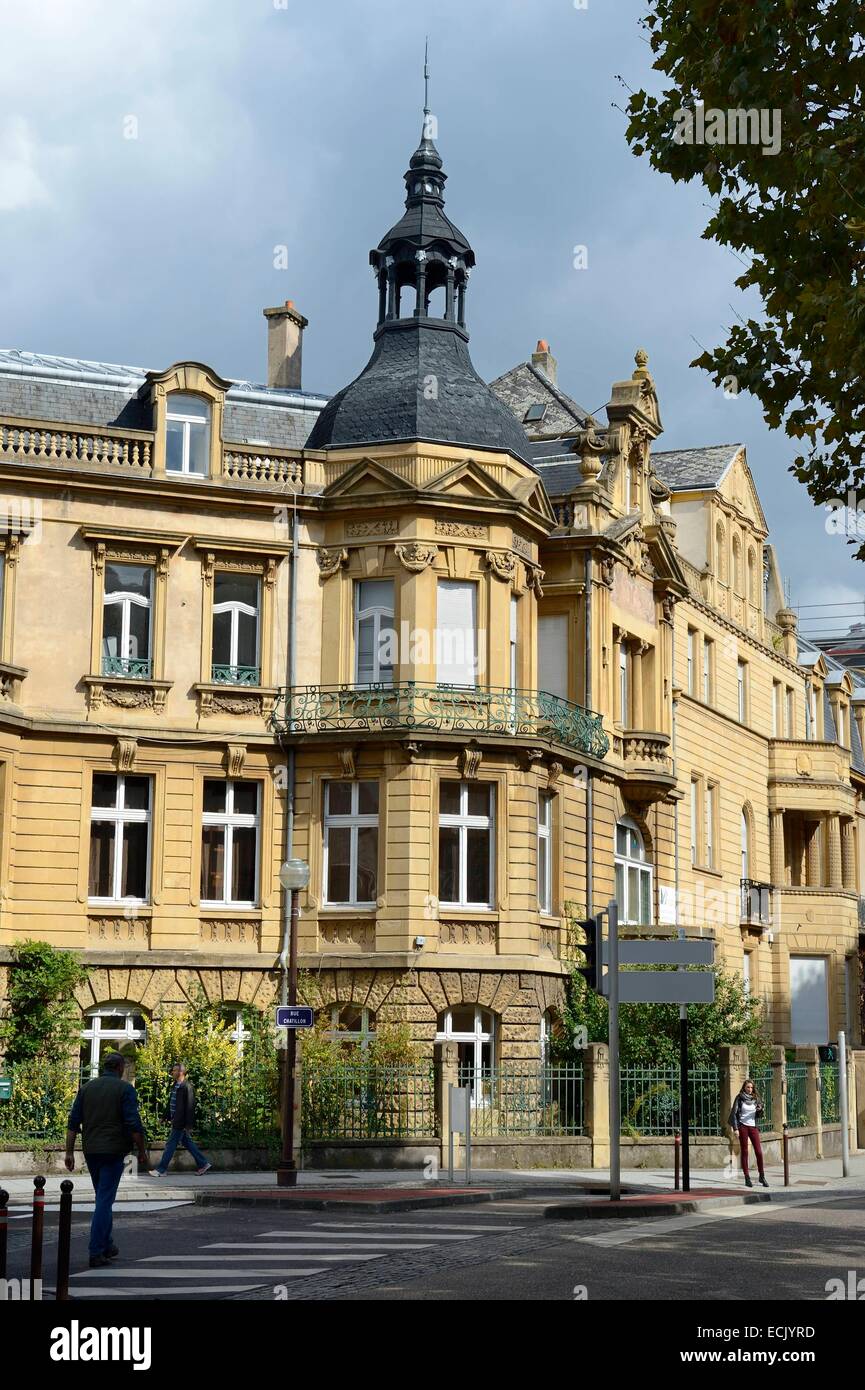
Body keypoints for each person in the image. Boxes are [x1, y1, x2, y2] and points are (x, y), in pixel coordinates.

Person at [65, 1052, 149, 1268]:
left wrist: (69, 1152)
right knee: (104, 1200)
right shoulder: (125, 1089)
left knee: (102, 1198)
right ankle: (96, 1250)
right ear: (120, 1067)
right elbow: (133, 1124)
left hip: (91, 1150)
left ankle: (107, 1244)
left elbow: (73, 1122)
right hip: (114, 1151)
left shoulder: (87, 1089)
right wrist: (141, 1151)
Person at [149, 1062, 212, 1176]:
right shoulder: (175, 1085)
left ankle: (161, 1170)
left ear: (181, 1072)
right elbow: (171, 1103)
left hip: (180, 1122)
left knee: (170, 1145)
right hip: (176, 1120)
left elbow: (190, 1107)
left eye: (174, 1070)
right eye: (173, 1070)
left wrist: (188, 1125)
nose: (172, 1072)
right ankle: (203, 1164)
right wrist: (165, 1117)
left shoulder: (187, 1086)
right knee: (187, 1143)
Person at [728, 1078, 769, 1188]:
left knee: (759, 1152)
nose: (750, 1089)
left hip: (753, 1127)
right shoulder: (739, 1098)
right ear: (744, 1088)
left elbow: (760, 1115)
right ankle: (747, 1177)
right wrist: (736, 1128)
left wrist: (760, 1109)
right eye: (748, 1087)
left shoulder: (756, 1098)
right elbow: (734, 1113)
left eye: (751, 1087)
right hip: (743, 1127)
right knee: (745, 1151)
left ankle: (762, 1176)